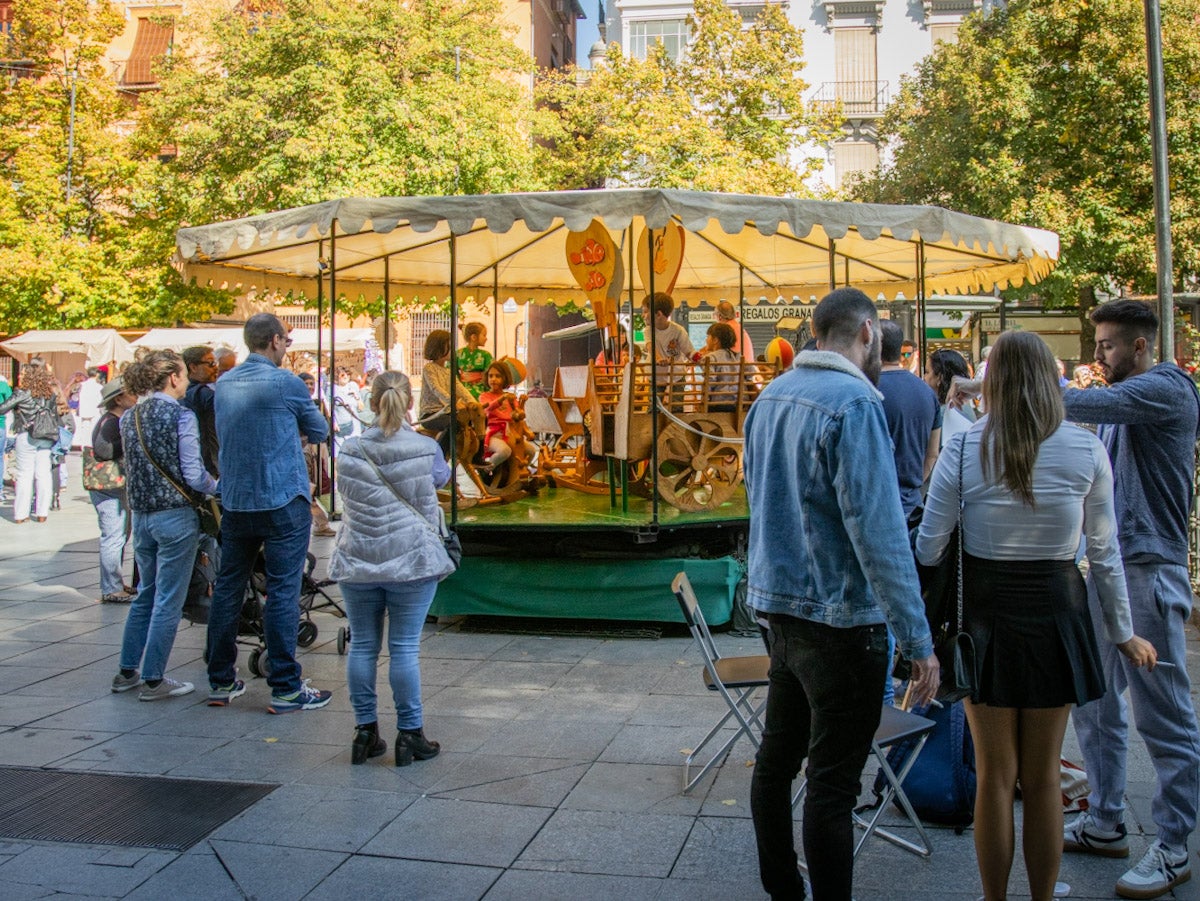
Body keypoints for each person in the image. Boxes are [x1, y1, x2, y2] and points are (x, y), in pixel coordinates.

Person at [916, 330, 1156, 901]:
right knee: (1045, 777)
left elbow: (929, 546)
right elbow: (1105, 554)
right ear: (1053, 380)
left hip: (983, 616)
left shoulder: (964, 446)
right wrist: (1122, 633)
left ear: (991, 380)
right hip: (1059, 610)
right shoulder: (1085, 447)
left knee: (996, 776)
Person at [744, 287, 939, 901]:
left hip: (781, 613)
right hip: (842, 623)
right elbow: (879, 532)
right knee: (832, 785)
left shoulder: (771, 396)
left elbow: (757, 503)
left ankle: (783, 889)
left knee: (777, 765)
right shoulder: (855, 403)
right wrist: (917, 640)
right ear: (867, 334)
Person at [1060, 300, 1200, 900]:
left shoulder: (1167, 387)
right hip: (1114, 571)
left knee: (1162, 713)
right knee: (1092, 695)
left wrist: (1007, 383)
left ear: (1141, 347)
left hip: (1151, 570)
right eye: (1097, 346)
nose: (1098, 356)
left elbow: (1078, 403)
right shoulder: (1128, 399)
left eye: (1108, 346)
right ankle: (1106, 821)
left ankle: (1171, 845)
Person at [205, 314, 333, 714]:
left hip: (237, 499)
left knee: (228, 588)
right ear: (275, 341)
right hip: (281, 497)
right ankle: (285, 687)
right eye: (288, 341)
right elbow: (320, 430)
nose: (287, 347)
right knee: (282, 589)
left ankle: (221, 680)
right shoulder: (286, 383)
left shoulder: (223, 383)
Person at [331, 371, 455, 766]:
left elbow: (346, 495)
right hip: (411, 560)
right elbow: (442, 479)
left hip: (358, 558)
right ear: (410, 404)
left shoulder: (349, 450)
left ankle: (364, 732)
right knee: (403, 648)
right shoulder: (426, 448)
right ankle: (409, 733)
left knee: (364, 645)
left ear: (370, 402)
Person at [112, 351, 219, 701]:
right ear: (173, 377)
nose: (188, 380)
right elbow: (193, 473)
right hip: (175, 515)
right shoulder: (180, 415)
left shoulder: (130, 417)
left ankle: (128, 670)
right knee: (168, 600)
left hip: (142, 516)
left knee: (146, 594)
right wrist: (220, 486)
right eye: (185, 374)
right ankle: (155, 678)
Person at [878, 320, 942, 519]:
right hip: (912, 505)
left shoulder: (865, 390)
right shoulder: (927, 393)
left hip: (876, 508)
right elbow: (932, 453)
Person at [88, 377, 137, 604]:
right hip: (109, 486)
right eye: (131, 393)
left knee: (119, 534)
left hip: (114, 486)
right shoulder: (111, 422)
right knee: (113, 536)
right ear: (118, 398)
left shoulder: (113, 420)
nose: (136, 397)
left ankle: (115, 582)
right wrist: (128, 441)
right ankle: (111, 587)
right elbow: (103, 450)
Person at [0, 360, 66, 524]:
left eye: (22, 374)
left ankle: (21, 514)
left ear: (28, 377)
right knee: (43, 473)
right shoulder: (48, 394)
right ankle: (42, 512)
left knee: (24, 474)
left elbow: (2, 408)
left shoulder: (21, 393)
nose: (19, 376)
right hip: (46, 436)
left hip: (27, 434)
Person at [418, 329, 470, 454]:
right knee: (453, 425)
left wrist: (473, 403)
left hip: (446, 412)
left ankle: (476, 457)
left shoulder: (448, 371)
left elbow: (460, 389)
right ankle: (439, 455)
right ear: (439, 348)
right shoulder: (429, 368)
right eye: (450, 347)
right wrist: (453, 402)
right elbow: (436, 389)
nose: (453, 350)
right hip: (431, 414)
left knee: (473, 421)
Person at [298, 371, 335, 539]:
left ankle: (320, 522)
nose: (309, 387)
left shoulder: (317, 403)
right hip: (304, 450)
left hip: (315, 450)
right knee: (308, 488)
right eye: (306, 384)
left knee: (314, 485)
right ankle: (320, 522)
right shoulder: (300, 404)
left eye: (311, 384)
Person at [181, 345, 220, 478]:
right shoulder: (206, 395)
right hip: (208, 467)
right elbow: (215, 435)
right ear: (193, 367)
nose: (216, 367)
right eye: (211, 363)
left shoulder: (180, 394)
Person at [477, 361, 518, 472]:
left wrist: (519, 405)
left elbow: (517, 413)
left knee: (531, 451)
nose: (493, 379)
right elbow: (488, 408)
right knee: (505, 451)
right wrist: (501, 399)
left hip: (509, 432)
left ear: (505, 378)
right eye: (491, 376)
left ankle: (518, 474)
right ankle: (486, 469)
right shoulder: (484, 396)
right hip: (492, 435)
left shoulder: (510, 398)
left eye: (498, 376)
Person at [698, 321, 740, 411]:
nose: (706, 340)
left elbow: (709, 381)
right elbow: (749, 374)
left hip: (717, 403)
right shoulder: (738, 356)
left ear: (715, 340)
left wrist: (703, 402)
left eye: (708, 337)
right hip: (736, 403)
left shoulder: (711, 357)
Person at [456, 322, 492, 399]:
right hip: (462, 391)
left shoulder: (486, 355)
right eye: (484, 335)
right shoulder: (458, 354)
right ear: (474, 337)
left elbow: (489, 374)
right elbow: (451, 373)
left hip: (481, 392)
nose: (486, 338)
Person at [76, 368, 103, 449]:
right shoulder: (99, 387)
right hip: (95, 410)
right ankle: (92, 448)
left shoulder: (82, 385)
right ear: (97, 374)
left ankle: (84, 448)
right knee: (94, 429)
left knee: (85, 430)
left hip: (84, 410)